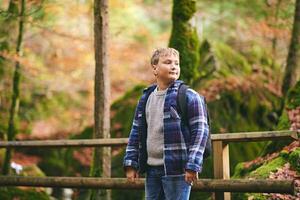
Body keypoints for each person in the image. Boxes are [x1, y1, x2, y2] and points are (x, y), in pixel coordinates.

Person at [123, 47, 209, 200]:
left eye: (177, 63)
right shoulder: (146, 98)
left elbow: (200, 131)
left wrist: (192, 165)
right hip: (151, 170)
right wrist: (131, 163)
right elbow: (136, 131)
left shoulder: (190, 96)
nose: (174, 66)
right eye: (168, 62)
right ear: (155, 68)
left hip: (178, 170)